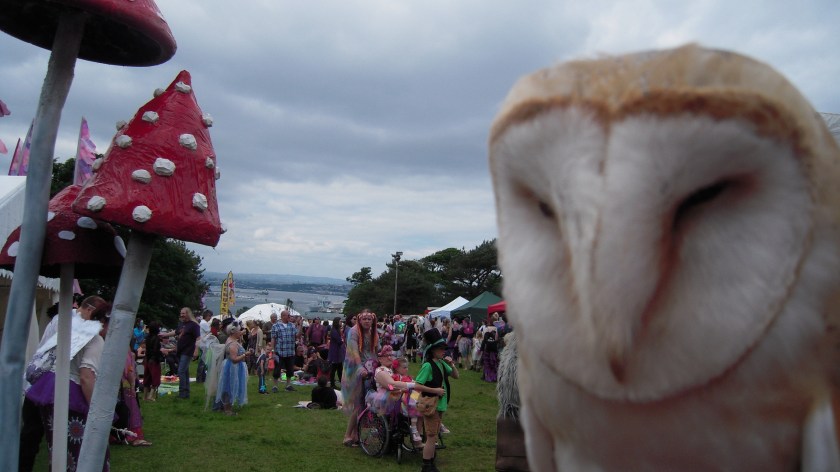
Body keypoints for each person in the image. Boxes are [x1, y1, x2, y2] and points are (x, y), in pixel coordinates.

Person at [19, 295, 108, 472]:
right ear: (90, 311)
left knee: (35, 437)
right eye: (102, 320)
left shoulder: (64, 320)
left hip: (41, 383)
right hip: (57, 386)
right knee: (56, 441)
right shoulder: (75, 326)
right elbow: (85, 375)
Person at [416, 328, 460, 472]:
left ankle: (431, 462)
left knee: (433, 435)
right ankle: (426, 465)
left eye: (444, 349)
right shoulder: (428, 365)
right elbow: (418, 385)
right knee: (431, 436)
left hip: (440, 405)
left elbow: (456, 376)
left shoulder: (442, 363)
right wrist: (435, 390)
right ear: (432, 350)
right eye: (441, 349)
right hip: (431, 405)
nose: (443, 351)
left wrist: (452, 364)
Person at [341, 309, 379, 447]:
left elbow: (376, 350)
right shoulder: (354, 331)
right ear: (359, 320)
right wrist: (360, 367)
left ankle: (356, 435)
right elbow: (354, 352)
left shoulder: (374, 332)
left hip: (371, 367)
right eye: (364, 319)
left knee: (366, 402)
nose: (367, 321)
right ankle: (347, 435)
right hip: (355, 368)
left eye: (369, 319)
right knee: (358, 403)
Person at [215, 321, 251, 415]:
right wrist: (245, 354)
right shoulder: (233, 344)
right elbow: (234, 359)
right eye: (239, 331)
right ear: (234, 332)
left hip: (233, 366)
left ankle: (226, 408)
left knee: (230, 386)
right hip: (233, 367)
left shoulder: (231, 340)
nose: (241, 332)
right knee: (230, 386)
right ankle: (228, 410)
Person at [174, 307, 200, 398]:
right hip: (181, 350)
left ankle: (182, 393)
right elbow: (175, 332)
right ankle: (186, 393)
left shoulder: (193, 325)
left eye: (183, 313)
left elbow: (198, 338)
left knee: (180, 371)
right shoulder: (182, 324)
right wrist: (164, 335)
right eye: (181, 313)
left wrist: (196, 350)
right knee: (185, 371)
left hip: (188, 350)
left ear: (188, 314)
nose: (181, 315)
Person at [270, 309, 298, 392]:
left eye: (289, 315)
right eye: (287, 315)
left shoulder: (292, 326)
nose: (289, 317)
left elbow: (297, 335)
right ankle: (275, 386)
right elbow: (273, 339)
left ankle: (288, 385)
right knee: (277, 370)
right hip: (279, 352)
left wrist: (299, 325)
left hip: (290, 351)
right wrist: (273, 350)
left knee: (290, 369)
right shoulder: (276, 326)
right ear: (282, 316)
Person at [143, 321, 164, 401]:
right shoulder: (156, 339)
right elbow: (155, 350)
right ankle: (151, 396)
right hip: (154, 360)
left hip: (147, 359)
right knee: (155, 378)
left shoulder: (147, 338)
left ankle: (145, 396)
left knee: (147, 377)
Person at [195, 309, 213, 383]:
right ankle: (200, 378)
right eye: (210, 316)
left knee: (203, 362)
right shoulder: (204, 323)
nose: (210, 318)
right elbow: (210, 332)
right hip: (204, 344)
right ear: (207, 316)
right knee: (202, 362)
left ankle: (202, 377)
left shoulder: (202, 323)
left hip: (203, 344)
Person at [327, 316, 345, 389]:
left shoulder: (336, 330)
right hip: (335, 352)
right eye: (340, 321)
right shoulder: (334, 331)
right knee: (334, 369)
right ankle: (332, 383)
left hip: (337, 352)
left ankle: (341, 383)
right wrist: (343, 341)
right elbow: (339, 341)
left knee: (339, 369)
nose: (341, 323)